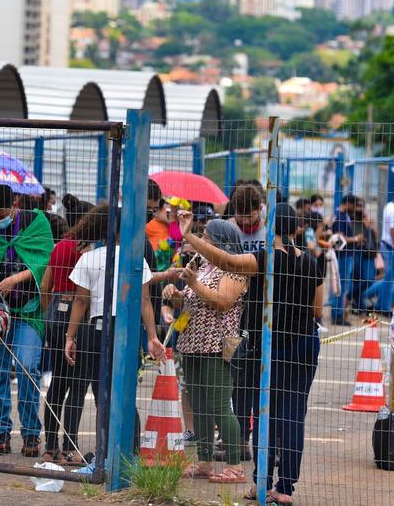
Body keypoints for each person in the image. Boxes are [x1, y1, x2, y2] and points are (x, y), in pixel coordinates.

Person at [179, 204, 324, 504]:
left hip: (271, 346)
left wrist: (191, 237)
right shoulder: (311, 262)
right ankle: (285, 490)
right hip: (305, 344)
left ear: (271, 225)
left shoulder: (265, 259)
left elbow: (228, 261)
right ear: (297, 227)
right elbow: (318, 310)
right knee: (294, 416)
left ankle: (261, 484)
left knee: (265, 415)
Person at [63, 203, 165, 468]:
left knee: (102, 396)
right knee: (126, 393)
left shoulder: (90, 258)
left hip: (98, 331)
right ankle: (129, 456)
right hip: (128, 331)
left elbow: (80, 302)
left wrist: (70, 336)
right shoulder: (135, 259)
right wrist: (152, 336)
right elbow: (145, 301)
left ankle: (105, 455)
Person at [162, 219, 248, 484]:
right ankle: (204, 461)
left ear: (220, 241)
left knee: (220, 406)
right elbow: (187, 302)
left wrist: (195, 283)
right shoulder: (200, 263)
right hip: (192, 341)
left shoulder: (235, 268)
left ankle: (235, 466)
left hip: (217, 343)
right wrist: (173, 294)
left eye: (207, 237)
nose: (202, 240)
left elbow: (223, 302)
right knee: (199, 407)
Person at [0, 184, 54, 457]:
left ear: (15, 205)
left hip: (28, 311)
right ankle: (0, 433)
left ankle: (32, 433)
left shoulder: (36, 223)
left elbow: (46, 260)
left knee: (28, 367)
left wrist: (17, 278)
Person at [38, 207, 101, 465]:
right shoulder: (88, 252)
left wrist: (49, 313)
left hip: (55, 311)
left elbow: (44, 286)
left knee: (57, 382)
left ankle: (50, 446)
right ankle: (70, 446)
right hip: (79, 315)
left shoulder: (59, 247)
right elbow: (83, 295)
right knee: (77, 384)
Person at [362, 184, 394, 312]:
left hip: (390, 248)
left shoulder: (393, 208)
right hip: (391, 249)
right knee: (389, 281)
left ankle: (382, 305)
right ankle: (382, 308)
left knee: (390, 280)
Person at [330, 195, 362, 325]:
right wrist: (355, 239)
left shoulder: (342, 215)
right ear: (348, 204)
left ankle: (338, 313)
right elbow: (339, 237)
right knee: (340, 285)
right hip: (343, 256)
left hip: (346, 255)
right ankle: (337, 315)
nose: (354, 209)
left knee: (342, 285)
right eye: (353, 206)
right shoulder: (340, 216)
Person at [229, 184, 266, 254]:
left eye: (249, 216)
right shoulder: (226, 230)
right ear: (234, 210)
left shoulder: (270, 232)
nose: (245, 222)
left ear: (260, 209)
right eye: (241, 216)